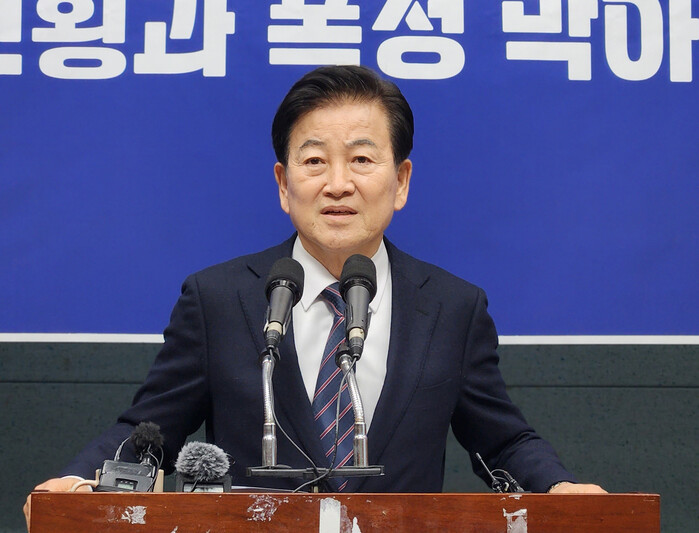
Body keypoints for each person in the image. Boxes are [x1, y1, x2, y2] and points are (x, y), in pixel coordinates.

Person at [24, 64, 604, 527]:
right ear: (284, 184)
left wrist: (558, 487)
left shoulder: (452, 306)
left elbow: (501, 440)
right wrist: (77, 483)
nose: (338, 183)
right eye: (315, 160)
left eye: (361, 159)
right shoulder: (219, 298)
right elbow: (149, 430)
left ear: (401, 181)